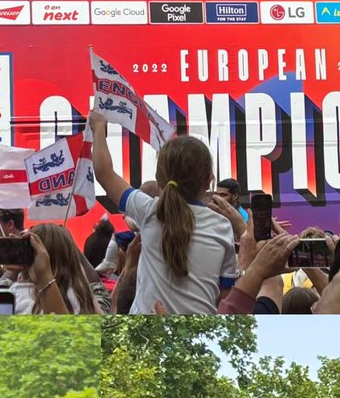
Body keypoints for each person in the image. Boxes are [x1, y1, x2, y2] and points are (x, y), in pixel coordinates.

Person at [88, 113, 237, 314]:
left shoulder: (149, 211)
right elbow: (225, 296)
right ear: (209, 180)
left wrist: (98, 128)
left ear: (159, 178)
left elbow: (104, 173)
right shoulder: (222, 227)